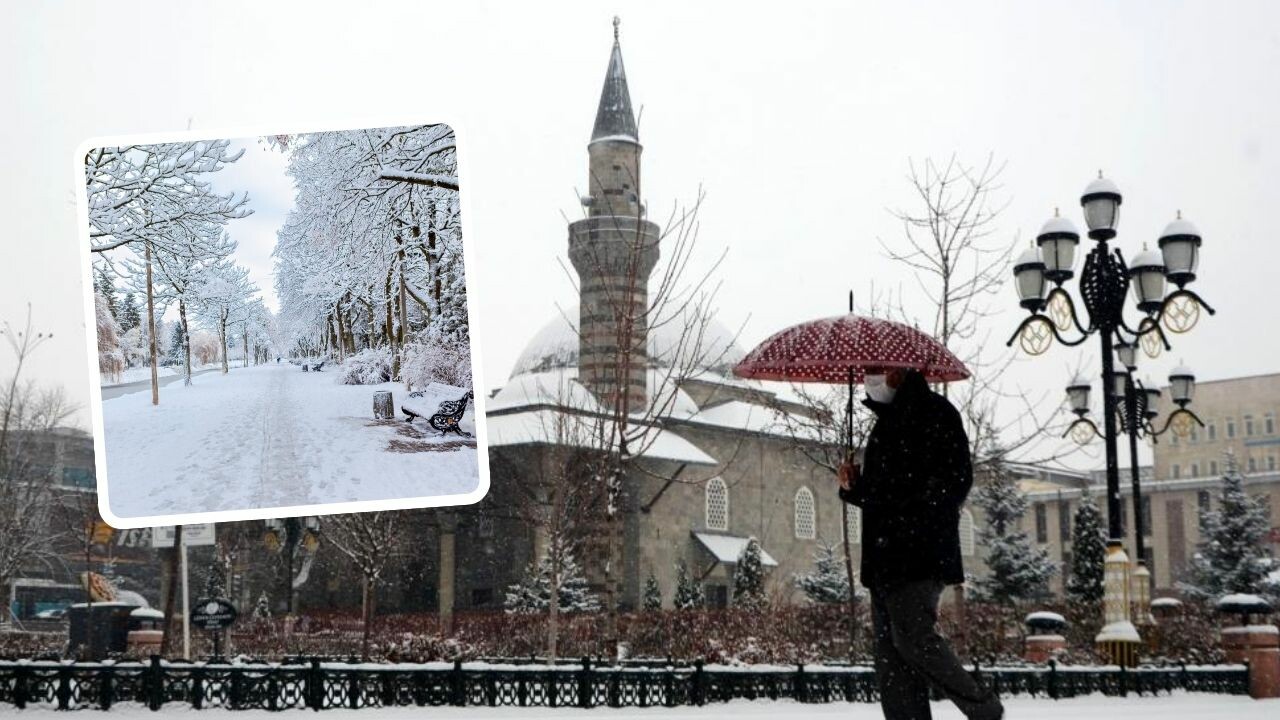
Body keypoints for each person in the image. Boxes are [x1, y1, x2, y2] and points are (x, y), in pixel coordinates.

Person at [838, 367, 1003, 720]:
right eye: (866, 372)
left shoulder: (935, 413)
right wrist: (854, 487)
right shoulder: (885, 423)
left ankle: (984, 709)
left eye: (875, 371)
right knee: (892, 662)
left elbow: (954, 481)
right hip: (884, 560)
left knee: (914, 639)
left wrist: (909, 506)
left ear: (899, 371)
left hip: (918, 556)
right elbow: (881, 496)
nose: (870, 380)